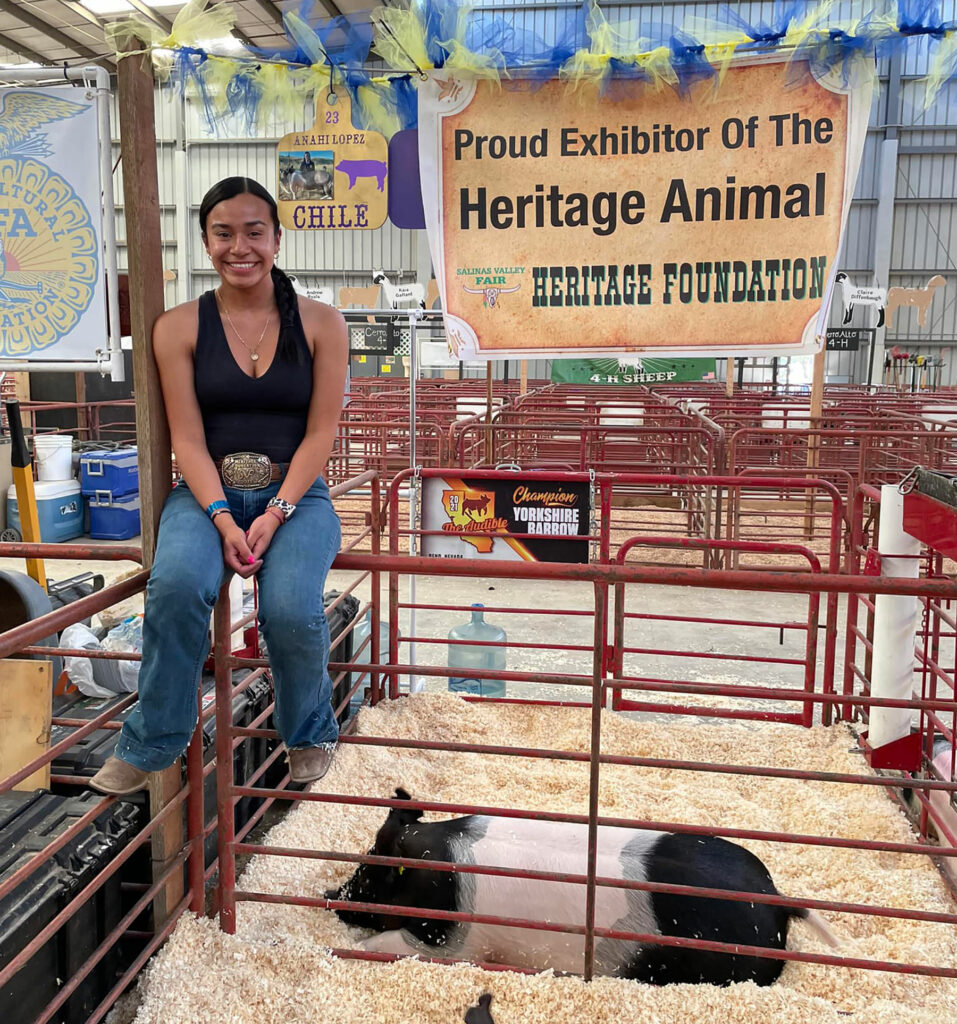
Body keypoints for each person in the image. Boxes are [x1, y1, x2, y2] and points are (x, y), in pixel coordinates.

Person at [90, 176, 348, 795]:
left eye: (254, 232)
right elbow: (188, 438)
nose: (240, 247)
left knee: (289, 609)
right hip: (206, 494)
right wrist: (226, 519)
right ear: (206, 242)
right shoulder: (179, 327)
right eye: (223, 233)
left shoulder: (321, 324)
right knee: (176, 585)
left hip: (299, 494)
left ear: (277, 240)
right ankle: (153, 740)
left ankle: (309, 733)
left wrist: (279, 509)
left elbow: (320, 435)